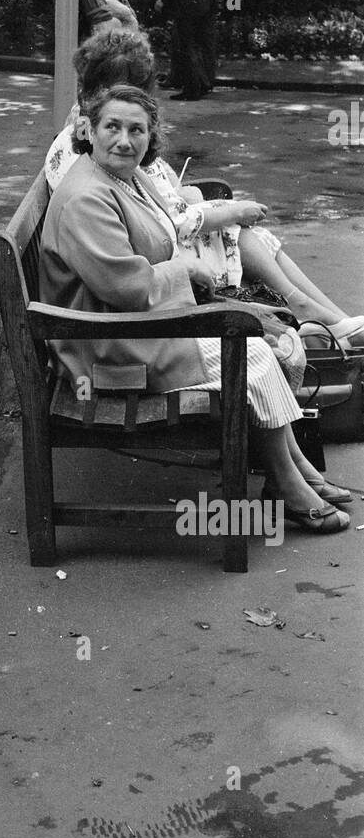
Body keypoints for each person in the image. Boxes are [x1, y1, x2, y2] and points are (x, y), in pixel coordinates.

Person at [39, 83, 351, 533]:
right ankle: (288, 480)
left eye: (137, 130)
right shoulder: (87, 197)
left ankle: (295, 468)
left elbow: (164, 236)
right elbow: (128, 288)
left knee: (265, 338)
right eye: (112, 127)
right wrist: (185, 271)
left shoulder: (124, 175)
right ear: (89, 129)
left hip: (141, 324)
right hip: (107, 348)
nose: (124, 140)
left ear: (151, 136)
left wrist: (187, 270)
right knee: (254, 353)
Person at [45, 28, 364, 350]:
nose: (125, 135)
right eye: (132, 90)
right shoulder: (90, 158)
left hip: (149, 274)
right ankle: (320, 320)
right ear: (105, 91)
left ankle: (329, 322)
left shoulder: (104, 139)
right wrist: (210, 231)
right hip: (126, 319)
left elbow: (150, 207)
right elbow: (125, 271)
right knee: (239, 236)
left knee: (253, 263)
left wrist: (188, 200)